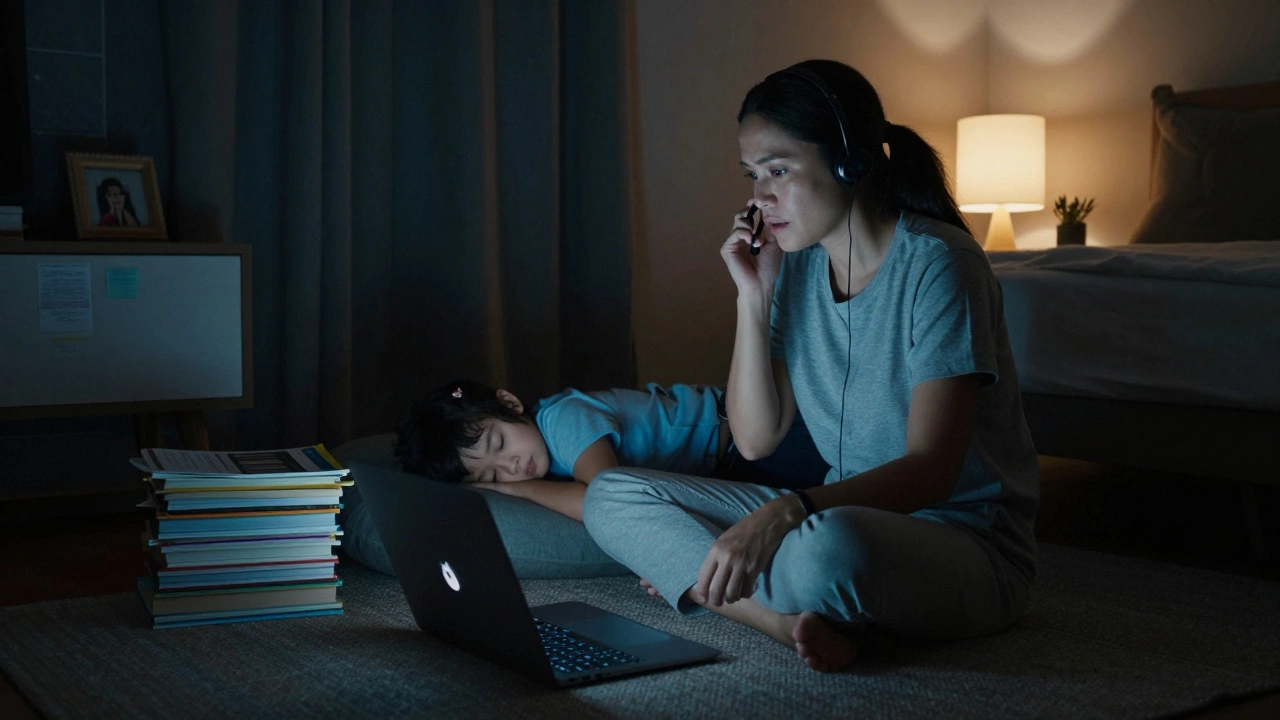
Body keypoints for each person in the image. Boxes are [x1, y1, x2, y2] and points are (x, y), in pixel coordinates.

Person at [582, 59, 1039, 673]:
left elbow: (932, 471)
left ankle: (699, 577)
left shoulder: (940, 265)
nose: (759, 196)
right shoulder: (793, 265)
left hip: (960, 543)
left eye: (778, 169)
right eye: (751, 174)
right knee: (612, 496)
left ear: (849, 160)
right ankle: (779, 619)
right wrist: (754, 296)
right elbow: (754, 437)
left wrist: (784, 512)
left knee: (828, 551)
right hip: (828, 514)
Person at [394, 379, 828, 522]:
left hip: (745, 436)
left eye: (500, 444)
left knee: (835, 483)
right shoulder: (544, 460)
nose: (511, 466)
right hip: (724, 471)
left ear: (509, 404)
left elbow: (608, 498)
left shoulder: (563, 420)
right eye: (492, 477)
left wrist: (519, 491)